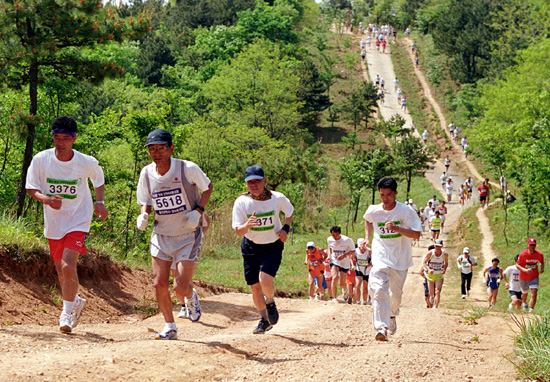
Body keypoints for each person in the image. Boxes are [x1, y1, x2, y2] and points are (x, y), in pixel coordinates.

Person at [26, 116, 109, 333]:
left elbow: (98, 180)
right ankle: (77, 301)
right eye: (56, 137)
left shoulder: (85, 162)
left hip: (79, 219)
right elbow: (31, 187)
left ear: (74, 139)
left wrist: (99, 203)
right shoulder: (41, 159)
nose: (60, 142)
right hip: (54, 222)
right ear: (52, 137)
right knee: (61, 271)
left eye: (65, 138)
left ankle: (66, 313)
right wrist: (46, 200)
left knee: (67, 264)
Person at [136, 129, 213, 340]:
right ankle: (170, 326)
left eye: (161, 148)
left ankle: (190, 295)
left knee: (179, 287)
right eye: (152, 149)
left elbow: (207, 188)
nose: (156, 153)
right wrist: (144, 215)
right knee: (158, 283)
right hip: (161, 235)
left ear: (171, 148)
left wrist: (198, 211)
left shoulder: (187, 168)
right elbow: (146, 200)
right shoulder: (146, 173)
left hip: (188, 234)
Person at [232, 165, 294, 333]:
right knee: (254, 287)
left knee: (265, 280)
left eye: (257, 181)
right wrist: (247, 225)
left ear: (264, 181)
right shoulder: (241, 202)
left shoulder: (277, 198)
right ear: (246, 184)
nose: (254, 185)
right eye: (250, 182)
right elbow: (238, 231)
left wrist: (286, 229)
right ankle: (264, 319)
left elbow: (289, 212)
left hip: (272, 245)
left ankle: (270, 301)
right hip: (251, 247)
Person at [363, 177, 422, 341]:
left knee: (395, 296)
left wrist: (397, 228)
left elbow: (416, 234)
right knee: (379, 288)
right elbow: (368, 219)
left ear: (396, 193)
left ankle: (391, 315)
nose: (385, 198)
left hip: (400, 259)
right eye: (382, 195)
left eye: (389, 194)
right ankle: (381, 328)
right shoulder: (374, 210)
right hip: (380, 255)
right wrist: (367, 238)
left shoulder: (406, 211)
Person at [327, 226, 355, 303]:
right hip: (334, 260)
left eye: (336, 235)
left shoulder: (347, 240)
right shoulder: (330, 239)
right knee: (335, 277)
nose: (334, 237)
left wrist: (344, 255)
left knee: (342, 283)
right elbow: (329, 248)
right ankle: (334, 298)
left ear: (339, 233)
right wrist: (329, 256)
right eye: (333, 235)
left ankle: (345, 290)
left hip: (344, 262)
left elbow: (353, 250)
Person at [516, 238, 544, 312]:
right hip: (523, 277)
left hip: (534, 276)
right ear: (528, 245)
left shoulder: (539, 254)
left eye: (534, 245)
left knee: (534, 293)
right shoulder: (523, 254)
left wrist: (542, 267)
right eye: (531, 245)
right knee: (524, 294)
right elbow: (517, 265)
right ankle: (524, 303)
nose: (532, 247)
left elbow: (541, 261)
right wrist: (525, 270)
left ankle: (531, 311)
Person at [422, 239, 448, 309]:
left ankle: (435, 307)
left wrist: (444, 269)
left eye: (439, 246)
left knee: (438, 291)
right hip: (430, 275)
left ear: (442, 246)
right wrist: (428, 269)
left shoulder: (445, 254)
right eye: (436, 246)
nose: (438, 248)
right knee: (431, 293)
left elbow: (446, 263)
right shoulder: (430, 253)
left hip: (439, 274)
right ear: (434, 246)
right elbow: (424, 263)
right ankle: (432, 299)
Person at [353, 238, 372, 305]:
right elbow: (352, 258)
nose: (364, 248)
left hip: (367, 270)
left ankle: (364, 301)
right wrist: (353, 265)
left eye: (365, 246)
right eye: (362, 246)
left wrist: (370, 264)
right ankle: (358, 301)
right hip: (359, 269)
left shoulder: (369, 251)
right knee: (357, 285)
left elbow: (374, 259)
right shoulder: (355, 251)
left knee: (365, 286)